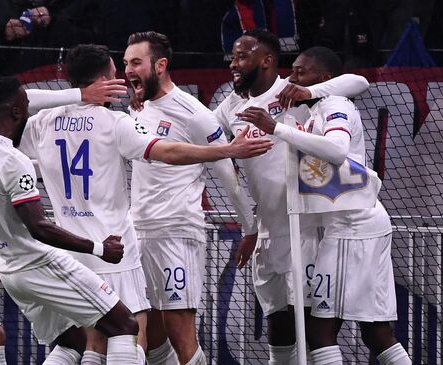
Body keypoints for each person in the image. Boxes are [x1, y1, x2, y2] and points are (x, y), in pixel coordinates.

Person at [20, 44, 272, 365]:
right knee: (129, 336)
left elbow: (3, 102)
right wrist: (227, 151)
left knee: (93, 342)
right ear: (103, 80)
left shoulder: (41, 123)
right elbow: (166, 152)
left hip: (76, 249)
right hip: (116, 251)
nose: (124, 75)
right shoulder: (114, 122)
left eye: (133, 63)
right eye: (118, 68)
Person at [0, 47, 131, 363]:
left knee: (72, 344)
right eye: (26, 106)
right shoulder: (13, 159)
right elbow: (39, 227)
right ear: (18, 112)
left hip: (8, 269)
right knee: (124, 325)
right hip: (38, 264)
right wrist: (99, 248)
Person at [242, 46, 411, 365]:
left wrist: (277, 128)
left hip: (353, 227)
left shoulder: (335, 105)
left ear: (325, 77)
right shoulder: (311, 109)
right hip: (354, 224)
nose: (291, 78)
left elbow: (336, 149)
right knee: (375, 332)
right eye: (291, 71)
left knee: (319, 331)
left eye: (300, 72)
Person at [214, 29, 371, 364]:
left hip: (307, 228)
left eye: (242, 56)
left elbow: (358, 82)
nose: (233, 64)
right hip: (266, 231)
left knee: (313, 332)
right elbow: (202, 140)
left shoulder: (291, 92)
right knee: (279, 326)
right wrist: (248, 226)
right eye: (233, 56)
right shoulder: (230, 106)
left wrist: (308, 90)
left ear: (267, 60)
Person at [123, 31, 262, 365]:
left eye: (136, 62)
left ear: (160, 65)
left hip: (176, 232)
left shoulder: (194, 112)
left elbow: (226, 169)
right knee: (150, 338)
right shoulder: (136, 109)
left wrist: (249, 227)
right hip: (138, 232)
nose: (128, 70)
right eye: (126, 63)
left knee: (180, 333)